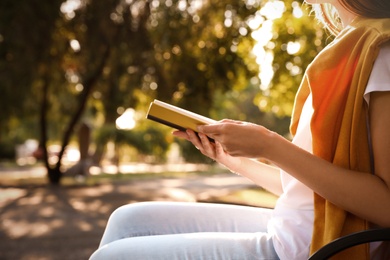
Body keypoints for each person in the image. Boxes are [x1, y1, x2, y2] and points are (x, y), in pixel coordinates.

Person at [90, 0, 390, 259]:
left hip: (310, 250)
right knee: (127, 220)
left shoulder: (381, 52)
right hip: (294, 232)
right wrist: (233, 160)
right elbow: (308, 191)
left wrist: (269, 144)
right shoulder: (355, 48)